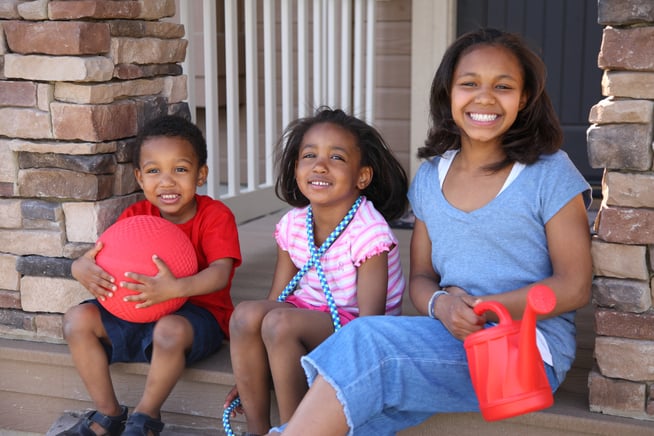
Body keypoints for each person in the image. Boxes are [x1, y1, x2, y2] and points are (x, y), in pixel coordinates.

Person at [268, 28, 593, 436]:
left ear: (524, 98)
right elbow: (421, 278)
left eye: (504, 86)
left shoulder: (549, 173)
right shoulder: (430, 178)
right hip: (448, 334)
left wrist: (480, 308)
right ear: (448, 93)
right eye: (469, 83)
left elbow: (576, 286)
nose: (485, 97)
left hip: (525, 352)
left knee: (366, 345)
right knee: (355, 415)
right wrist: (441, 306)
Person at [223, 107, 409, 435]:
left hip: (354, 328)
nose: (319, 165)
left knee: (280, 323)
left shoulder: (369, 233)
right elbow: (277, 299)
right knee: (245, 315)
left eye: (336, 157)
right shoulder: (294, 223)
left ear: (362, 176)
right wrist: (252, 373)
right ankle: (257, 429)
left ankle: (300, 428)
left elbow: (369, 328)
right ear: (296, 168)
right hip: (303, 318)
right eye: (309, 155)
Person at [58, 115, 242, 436]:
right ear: (140, 178)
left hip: (196, 317)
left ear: (201, 175)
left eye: (180, 170)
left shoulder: (215, 216)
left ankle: (146, 417)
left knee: (169, 329)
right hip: (138, 310)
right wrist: (80, 267)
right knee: (77, 319)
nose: (167, 181)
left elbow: (220, 275)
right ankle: (108, 415)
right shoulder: (136, 217)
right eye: (155, 171)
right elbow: (100, 256)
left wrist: (174, 289)